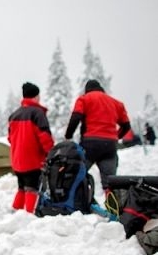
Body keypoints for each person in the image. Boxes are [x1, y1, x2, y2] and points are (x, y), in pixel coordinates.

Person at [64, 79, 131, 193]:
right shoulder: (116, 103)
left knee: (78, 175)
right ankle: (112, 207)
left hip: (90, 144)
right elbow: (126, 126)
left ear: (87, 90)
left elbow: (76, 117)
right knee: (109, 181)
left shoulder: (84, 99)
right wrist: (116, 136)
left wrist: (68, 135)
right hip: (110, 146)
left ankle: (76, 203)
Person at [7, 82, 54, 212]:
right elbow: (45, 137)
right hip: (33, 160)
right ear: (35, 96)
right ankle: (29, 216)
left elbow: (10, 138)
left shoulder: (14, 115)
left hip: (17, 161)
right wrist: (51, 153)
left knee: (22, 188)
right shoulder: (37, 113)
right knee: (32, 188)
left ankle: (15, 212)